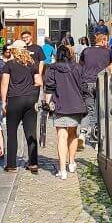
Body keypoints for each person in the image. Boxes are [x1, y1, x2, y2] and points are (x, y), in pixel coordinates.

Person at [44, 44, 91, 179]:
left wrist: (47, 105)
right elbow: (83, 86)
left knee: (61, 137)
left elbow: (49, 88)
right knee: (73, 134)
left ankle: (62, 169)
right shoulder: (77, 68)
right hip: (76, 105)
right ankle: (71, 162)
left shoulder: (52, 69)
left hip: (60, 105)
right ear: (70, 55)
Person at [0, 40, 42, 173]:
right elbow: (39, 81)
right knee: (31, 132)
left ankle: (11, 164)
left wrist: (3, 102)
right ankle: (33, 163)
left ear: (14, 51)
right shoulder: (32, 64)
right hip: (30, 100)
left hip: (14, 99)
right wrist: (31, 92)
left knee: (12, 132)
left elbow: (4, 84)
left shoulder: (9, 65)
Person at [78, 32, 112, 149]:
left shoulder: (86, 51)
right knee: (101, 110)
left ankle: (82, 133)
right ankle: (98, 140)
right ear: (102, 40)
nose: (107, 42)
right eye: (106, 40)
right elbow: (111, 68)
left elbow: (80, 66)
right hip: (101, 82)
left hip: (87, 82)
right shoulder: (107, 52)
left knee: (89, 110)